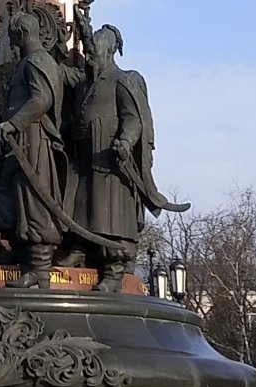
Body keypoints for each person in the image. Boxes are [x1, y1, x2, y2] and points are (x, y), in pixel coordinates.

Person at [68, 25, 186, 292]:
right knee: (80, 204)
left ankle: (114, 270)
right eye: (88, 50)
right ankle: (82, 250)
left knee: (111, 214)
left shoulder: (122, 80)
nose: (90, 54)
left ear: (109, 51)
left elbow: (134, 119)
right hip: (85, 157)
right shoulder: (86, 84)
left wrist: (125, 141)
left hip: (110, 159)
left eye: (95, 50)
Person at [0, 13, 68, 288]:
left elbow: (41, 99)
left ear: (22, 34)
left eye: (12, 37)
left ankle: (39, 267)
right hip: (20, 140)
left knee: (33, 199)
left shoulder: (37, 61)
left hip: (33, 139)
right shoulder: (31, 61)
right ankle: (21, 250)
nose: (11, 42)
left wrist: (13, 123)